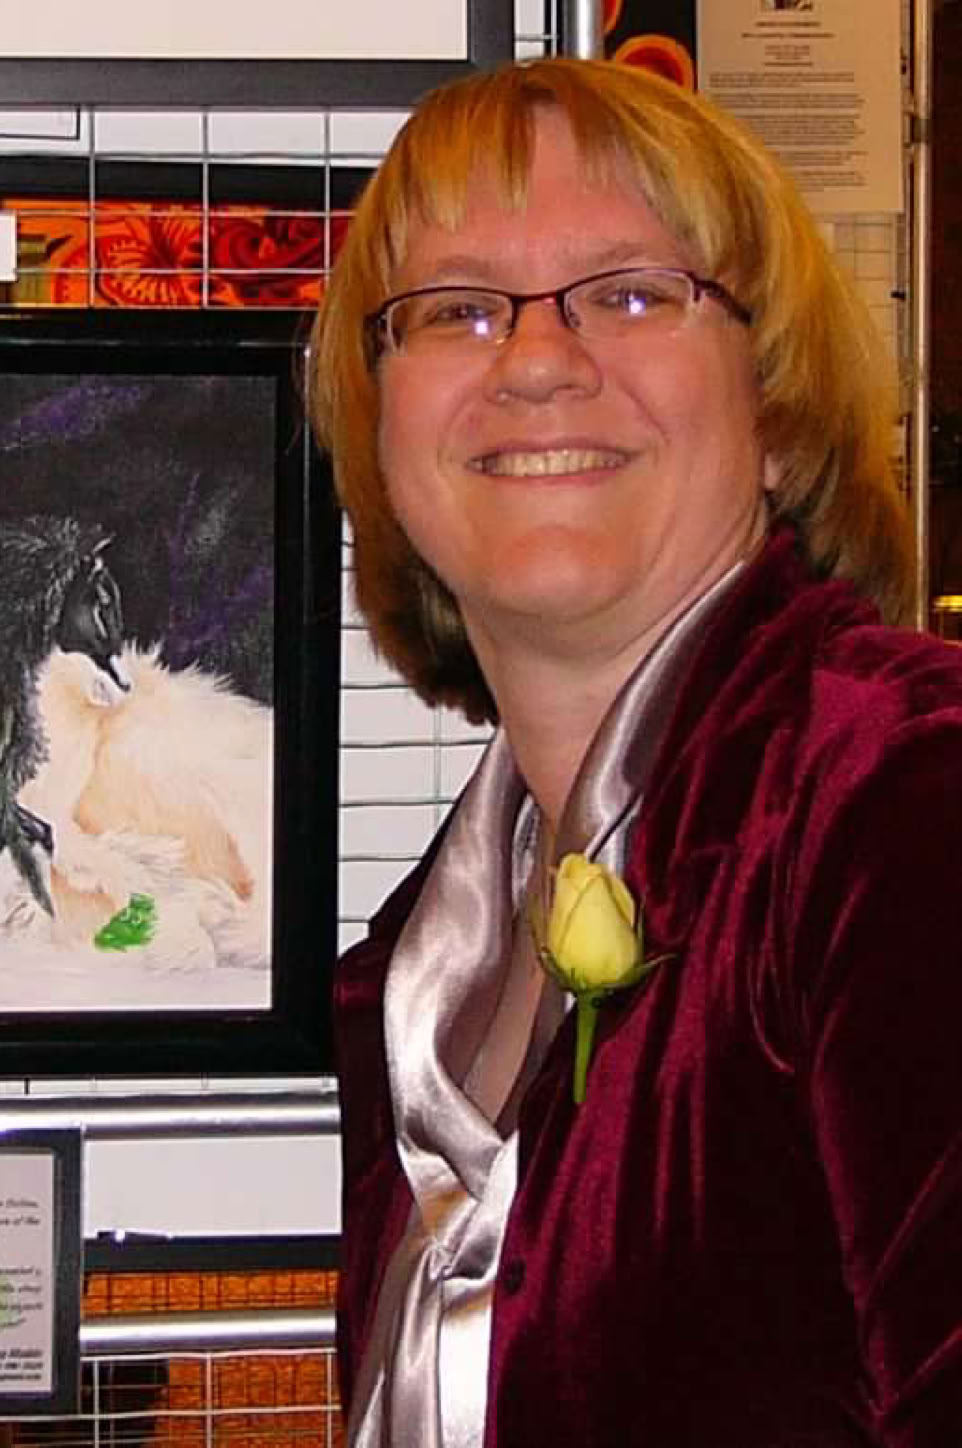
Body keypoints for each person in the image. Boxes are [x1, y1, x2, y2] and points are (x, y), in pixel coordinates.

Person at [309, 56, 962, 1447]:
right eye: (457, 309)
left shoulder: (906, 797)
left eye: (629, 294)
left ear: (775, 413)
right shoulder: (426, 960)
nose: (537, 361)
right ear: (382, 432)